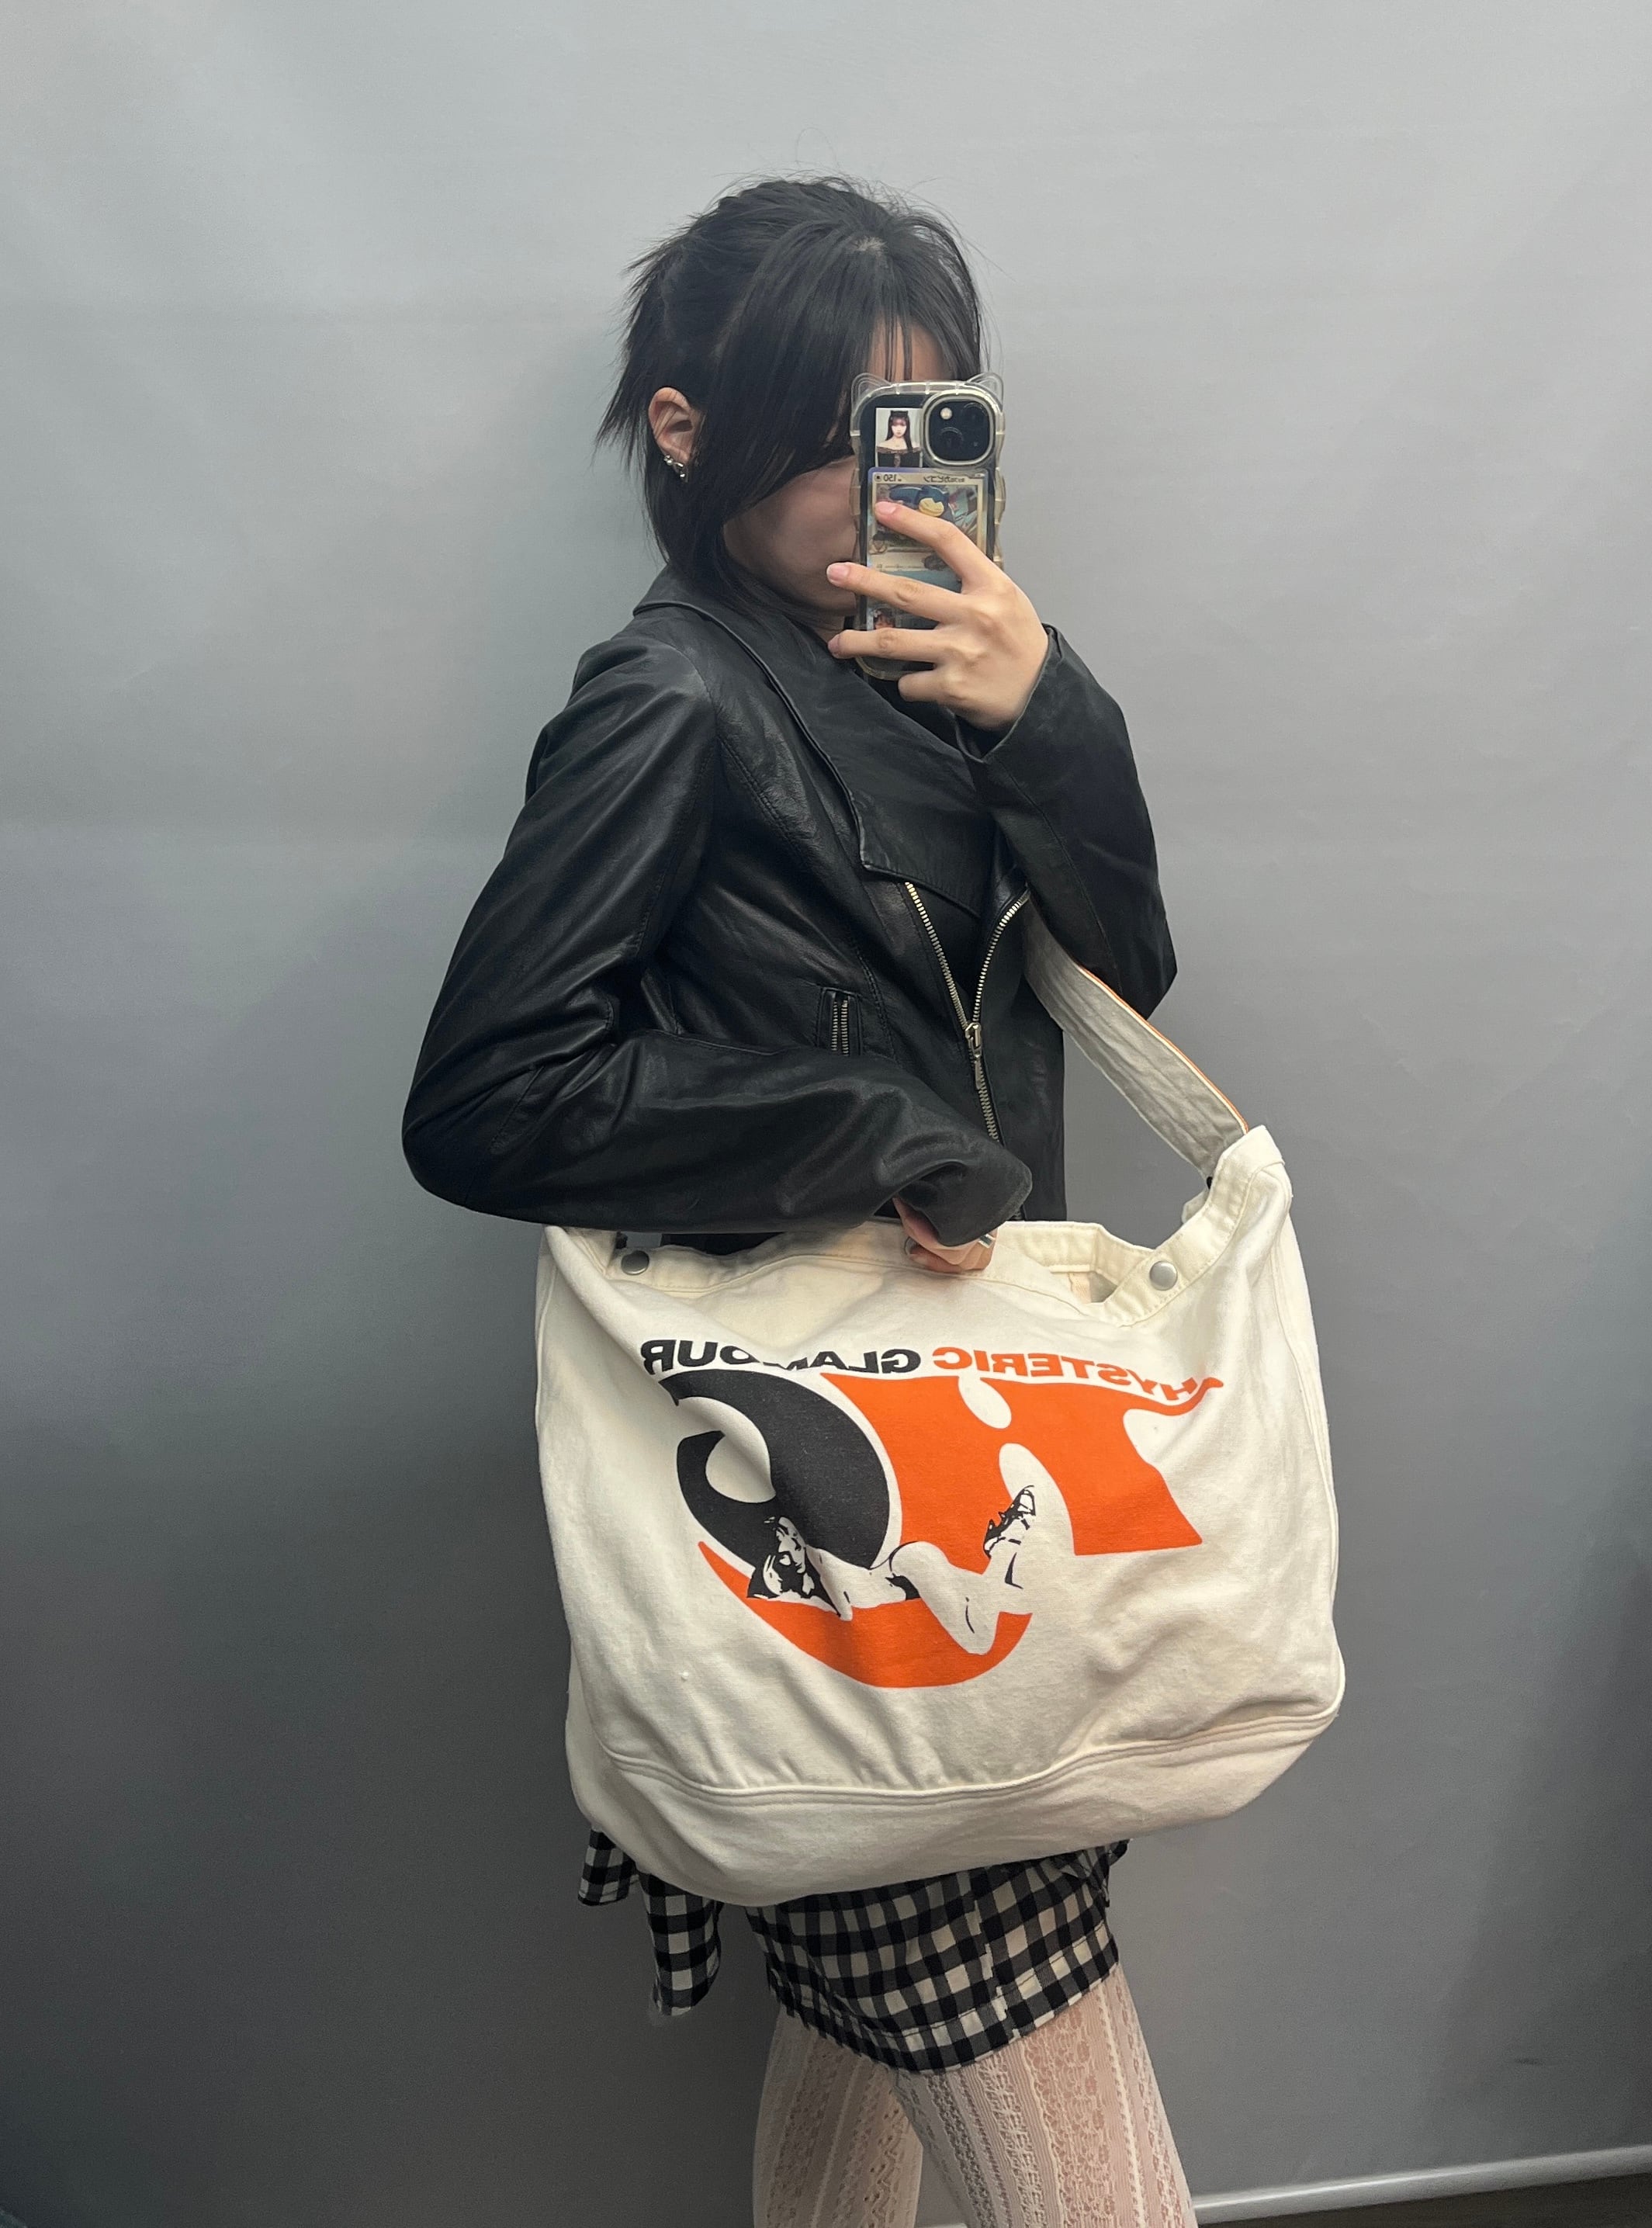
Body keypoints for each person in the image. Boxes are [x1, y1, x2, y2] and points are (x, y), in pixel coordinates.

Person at [403, 176, 1192, 2228]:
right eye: (834, 428)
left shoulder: (947, 670)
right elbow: (487, 1097)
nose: (885, 480)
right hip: (839, 1506)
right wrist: (866, 1120)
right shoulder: (672, 696)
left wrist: (1051, 717)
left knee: (860, 2043)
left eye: (927, 423)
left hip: (971, 1440)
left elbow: (1124, 978)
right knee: (1034, 2091)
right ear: (685, 432)